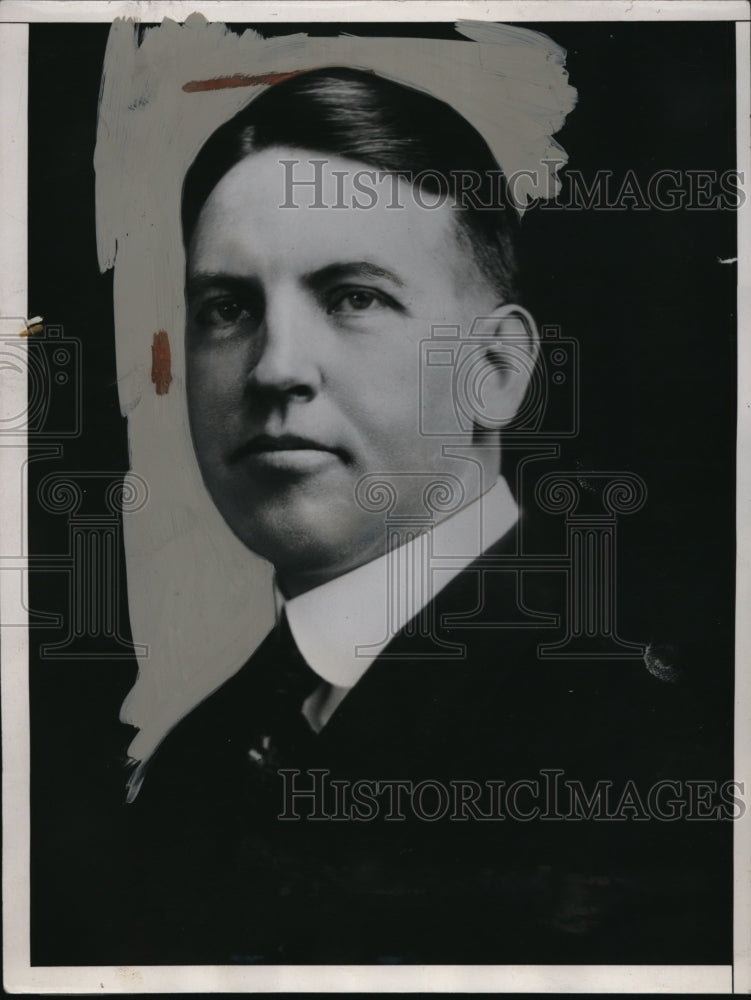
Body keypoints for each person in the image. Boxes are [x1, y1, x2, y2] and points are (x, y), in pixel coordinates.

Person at [43, 66, 730, 967]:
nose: (274, 368)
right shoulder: (193, 759)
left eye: (353, 297)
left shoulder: (648, 744)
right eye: (227, 308)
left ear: (496, 369)